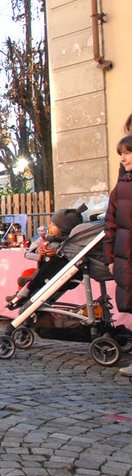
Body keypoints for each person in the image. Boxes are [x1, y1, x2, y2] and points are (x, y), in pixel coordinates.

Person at [106, 135, 132, 375]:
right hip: (125, 255)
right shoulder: (121, 187)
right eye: (120, 153)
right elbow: (110, 224)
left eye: (128, 152)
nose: (123, 158)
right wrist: (111, 258)